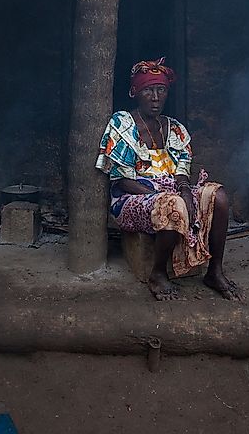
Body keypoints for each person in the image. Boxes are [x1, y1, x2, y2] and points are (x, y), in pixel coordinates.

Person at [96, 57, 241, 301]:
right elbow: (120, 180)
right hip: (133, 196)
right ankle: (158, 274)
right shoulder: (122, 124)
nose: (155, 97)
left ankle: (214, 271)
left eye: (161, 90)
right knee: (172, 206)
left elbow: (182, 170)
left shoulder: (174, 129)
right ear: (135, 92)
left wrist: (185, 191)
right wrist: (164, 196)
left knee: (219, 197)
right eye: (148, 91)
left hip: (172, 192)